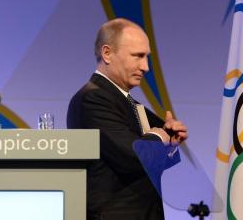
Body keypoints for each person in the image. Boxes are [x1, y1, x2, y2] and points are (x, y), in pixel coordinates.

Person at [67, 18, 188, 220]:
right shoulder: (93, 98)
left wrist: (170, 142)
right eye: (138, 56)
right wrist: (159, 138)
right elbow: (133, 158)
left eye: (146, 57)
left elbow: (148, 161)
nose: (146, 67)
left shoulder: (126, 101)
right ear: (107, 54)